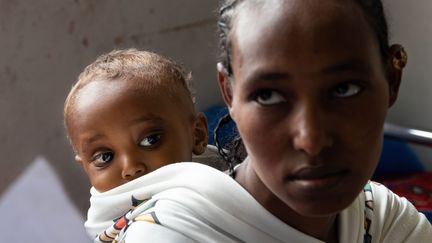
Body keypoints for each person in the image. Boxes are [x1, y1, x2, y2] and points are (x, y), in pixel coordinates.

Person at [88, 1, 432, 242]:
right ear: (229, 94)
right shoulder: (170, 235)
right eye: (268, 96)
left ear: (391, 81)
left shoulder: (385, 219)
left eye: (345, 89)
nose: (311, 139)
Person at [63, 49, 209, 241]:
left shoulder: (224, 192)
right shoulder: (110, 229)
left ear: (197, 135)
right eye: (104, 157)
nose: (130, 168)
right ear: (86, 169)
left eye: (150, 140)